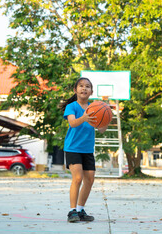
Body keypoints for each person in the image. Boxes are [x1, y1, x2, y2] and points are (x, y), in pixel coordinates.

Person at [60, 77, 108, 223]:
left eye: (87, 86)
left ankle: (80, 210)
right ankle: (72, 211)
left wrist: (106, 118)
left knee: (90, 179)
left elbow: (101, 130)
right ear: (75, 90)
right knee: (78, 178)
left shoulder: (95, 108)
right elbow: (73, 123)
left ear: (91, 91)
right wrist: (85, 117)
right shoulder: (72, 107)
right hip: (73, 147)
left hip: (87, 149)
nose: (84, 88)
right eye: (81, 86)